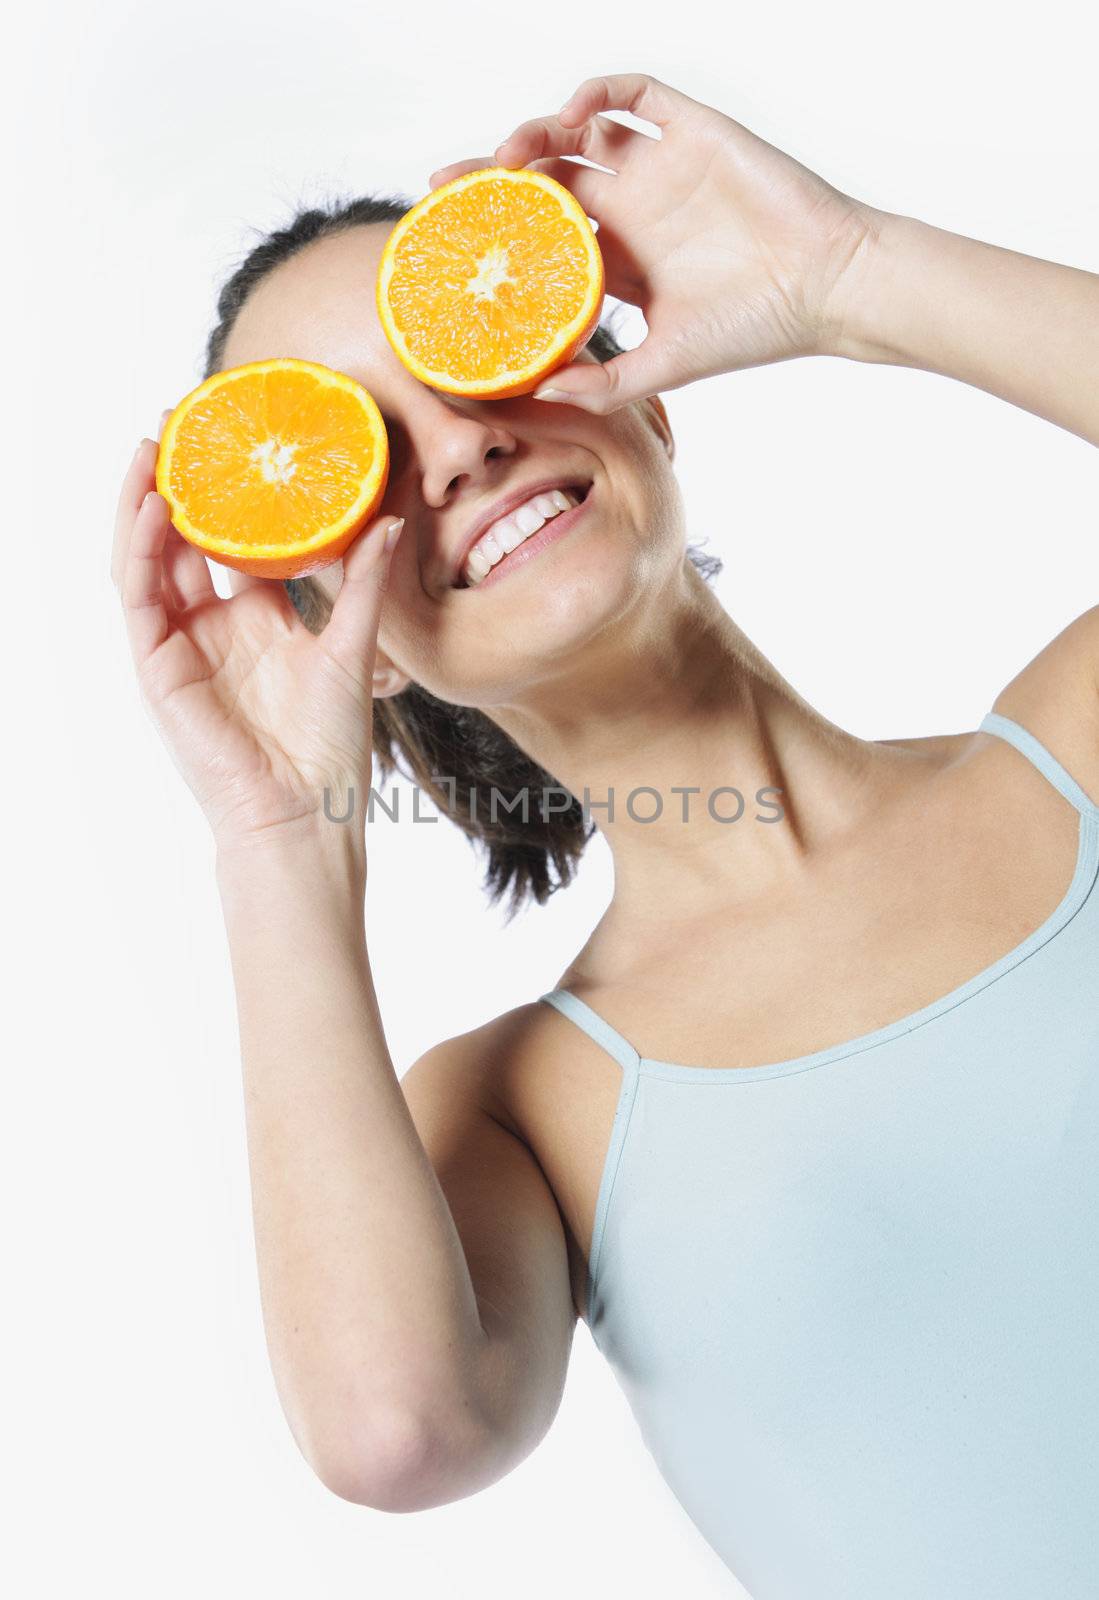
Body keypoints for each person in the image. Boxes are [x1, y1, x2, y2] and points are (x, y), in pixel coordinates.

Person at [112, 71, 1099, 1598]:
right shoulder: (527, 1107)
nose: (456, 451)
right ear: (357, 646)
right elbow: (397, 1436)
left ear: (639, 390)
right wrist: (274, 838)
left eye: (474, 358)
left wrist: (851, 277)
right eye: (354, 467)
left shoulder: (1077, 742)